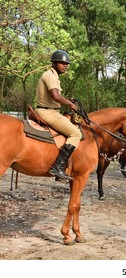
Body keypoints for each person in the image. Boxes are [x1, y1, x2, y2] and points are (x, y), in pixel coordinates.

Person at [35, 50, 82, 181]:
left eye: (66, 64)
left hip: (52, 111)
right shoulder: (50, 75)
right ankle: (57, 167)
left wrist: (67, 100)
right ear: (54, 63)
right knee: (76, 134)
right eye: (62, 63)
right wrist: (70, 104)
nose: (65, 65)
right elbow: (56, 96)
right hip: (48, 112)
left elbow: (56, 96)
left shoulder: (54, 76)